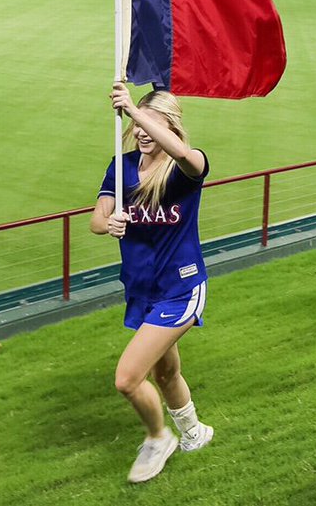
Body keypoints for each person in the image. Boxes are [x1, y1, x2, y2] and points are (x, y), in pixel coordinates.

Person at [90, 82, 215, 483]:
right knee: (165, 374)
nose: (141, 131)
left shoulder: (187, 167)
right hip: (141, 290)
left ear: (171, 126)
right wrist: (108, 223)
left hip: (181, 288)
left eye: (151, 124)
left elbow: (181, 152)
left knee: (128, 378)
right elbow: (96, 218)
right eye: (137, 124)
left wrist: (133, 108)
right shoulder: (122, 166)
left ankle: (158, 437)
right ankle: (195, 433)